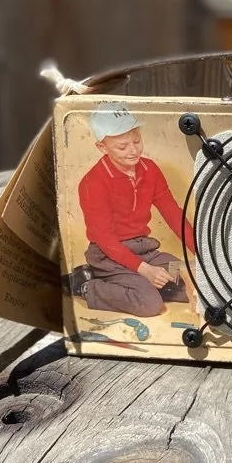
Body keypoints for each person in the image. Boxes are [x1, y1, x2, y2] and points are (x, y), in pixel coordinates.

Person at [64, 101, 196, 317]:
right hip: (109, 255)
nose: (133, 151)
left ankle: (143, 284)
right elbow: (105, 239)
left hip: (144, 249)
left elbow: (173, 213)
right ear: (102, 147)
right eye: (122, 147)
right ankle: (88, 284)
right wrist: (145, 270)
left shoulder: (150, 170)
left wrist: (200, 253)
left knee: (182, 274)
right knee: (149, 305)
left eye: (136, 141)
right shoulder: (92, 183)